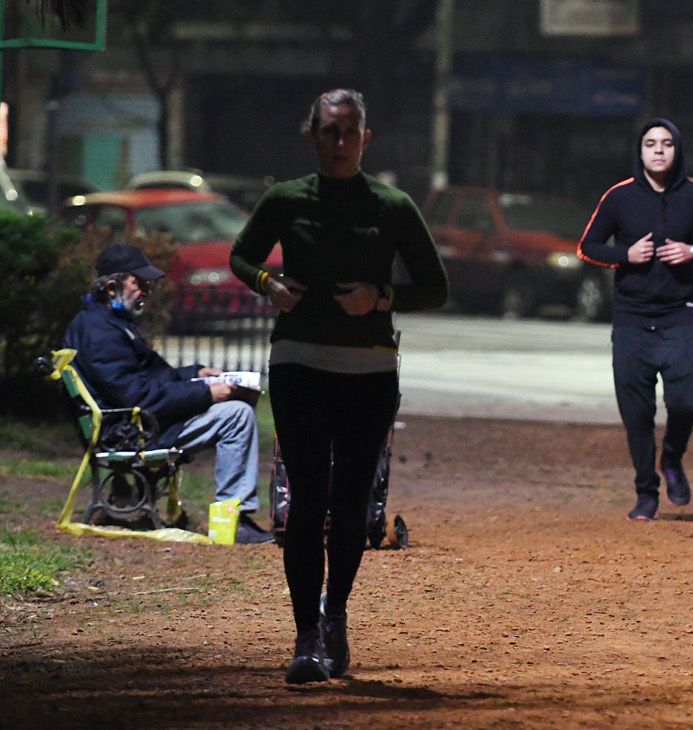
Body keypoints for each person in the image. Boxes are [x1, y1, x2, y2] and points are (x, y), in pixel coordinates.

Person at [230, 88, 448, 684]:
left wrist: (381, 297)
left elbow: (437, 285)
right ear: (311, 135)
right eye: (330, 131)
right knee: (306, 505)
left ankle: (336, 616)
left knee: (351, 508)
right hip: (299, 363)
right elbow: (241, 255)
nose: (341, 142)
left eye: (350, 132)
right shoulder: (285, 199)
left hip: (368, 372)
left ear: (366, 139)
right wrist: (267, 284)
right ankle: (305, 637)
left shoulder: (392, 204)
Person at [578, 118, 693, 521]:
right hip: (630, 318)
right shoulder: (620, 196)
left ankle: (673, 458)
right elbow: (587, 247)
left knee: (686, 399)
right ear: (640, 151)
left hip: (678, 315)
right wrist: (624, 256)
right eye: (651, 143)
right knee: (637, 413)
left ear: (677, 150)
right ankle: (646, 491)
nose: (659, 150)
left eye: (666, 143)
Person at [63, 243, 271, 544]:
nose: (147, 290)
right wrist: (207, 394)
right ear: (111, 286)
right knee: (236, 416)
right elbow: (138, 396)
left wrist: (196, 374)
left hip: (138, 423)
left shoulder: (107, 324)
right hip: (134, 430)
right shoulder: (101, 332)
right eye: (139, 282)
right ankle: (233, 518)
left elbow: (148, 380)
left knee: (232, 406)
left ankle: (235, 513)